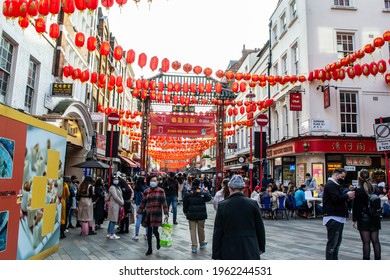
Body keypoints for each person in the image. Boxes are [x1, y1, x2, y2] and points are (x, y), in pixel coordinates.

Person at [212, 174, 266, 260]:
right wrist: (261, 247)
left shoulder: (222, 206)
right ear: (243, 189)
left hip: (229, 248)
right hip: (250, 246)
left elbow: (218, 231)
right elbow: (260, 228)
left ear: (229, 188)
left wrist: (216, 253)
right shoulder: (252, 204)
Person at [323, 168, 355, 260]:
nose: (343, 179)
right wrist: (347, 196)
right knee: (333, 242)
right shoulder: (331, 185)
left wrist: (347, 197)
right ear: (336, 175)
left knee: (336, 242)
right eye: (342, 176)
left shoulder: (335, 185)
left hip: (337, 217)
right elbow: (336, 198)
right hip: (333, 217)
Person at [352, 169, 381, 260]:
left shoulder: (358, 190)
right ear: (370, 177)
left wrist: (354, 219)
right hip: (375, 216)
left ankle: (366, 259)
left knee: (366, 242)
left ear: (359, 178)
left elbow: (356, 206)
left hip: (363, 217)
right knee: (376, 241)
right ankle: (378, 259)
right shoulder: (374, 189)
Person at [137, 174, 169, 256]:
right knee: (149, 232)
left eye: (155, 181)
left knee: (155, 231)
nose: (153, 182)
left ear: (157, 182)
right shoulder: (146, 191)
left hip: (157, 213)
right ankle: (149, 248)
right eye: (152, 181)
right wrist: (138, 212)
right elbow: (143, 202)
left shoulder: (161, 191)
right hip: (148, 213)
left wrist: (166, 213)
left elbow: (164, 203)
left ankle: (158, 239)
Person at [183, 178, 212, 253]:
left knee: (192, 230)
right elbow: (209, 198)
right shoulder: (203, 192)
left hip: (191, 214)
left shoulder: (188, 192)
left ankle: (194, 246)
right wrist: (207, 190)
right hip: (201, 214)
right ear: (199, 184)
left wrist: (185, 212)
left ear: (192, 184)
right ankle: (202, 243)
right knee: (201, 229)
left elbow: (185, 204)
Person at [106, 172, 124, 240]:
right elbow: (115, 196)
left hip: (116, 205)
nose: (116, 180)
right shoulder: (112, 187)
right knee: (113, 220)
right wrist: (121, 202)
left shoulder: (118, 187)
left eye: (117, 179)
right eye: (115, 179)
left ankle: (109, 232)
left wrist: (122, 201)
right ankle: (111, 233)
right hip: (114, 205)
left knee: (112, 219)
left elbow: (120, 195)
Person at [132, 176, 148, 240]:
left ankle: (136, 235)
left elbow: (135, 197)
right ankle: (147, 234)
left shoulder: (136, 188)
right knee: (147, 220)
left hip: (138, 205)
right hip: (146, 205)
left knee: (138, 220)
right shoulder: (146, 188)